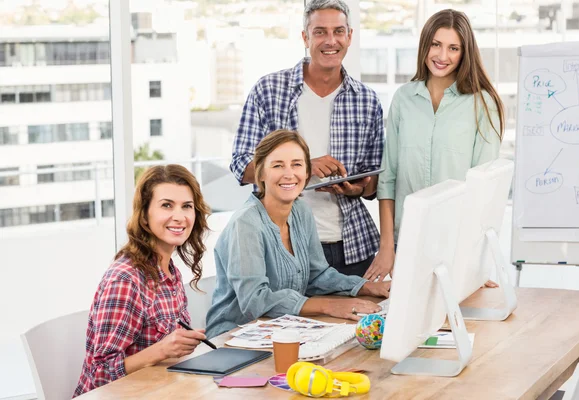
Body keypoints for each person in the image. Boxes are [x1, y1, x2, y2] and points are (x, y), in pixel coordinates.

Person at [230, 0, 384, 278]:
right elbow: (241, 166)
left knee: (356, 322)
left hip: (350, 247)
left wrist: (357, 188)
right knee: (286, 320)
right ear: (305, 37)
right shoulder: (268, 91)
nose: (330, 41)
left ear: (350, 36)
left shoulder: (368, 100)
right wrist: (304, 168)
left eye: (339, 31)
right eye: (320, 32)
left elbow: (374, 182)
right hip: (283, 243)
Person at [206, 130, 390, 339]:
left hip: (280, 331)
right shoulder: (246, 224)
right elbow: (255, 301)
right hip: (232, 338)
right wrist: (330, 306)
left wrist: (367, 287)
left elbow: (317, 275)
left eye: (297, 164)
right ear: (261, 173)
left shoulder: (301, 211)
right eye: (277, 165)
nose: (289, 174)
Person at [366, 9, 504, 284]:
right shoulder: (404, 99)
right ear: (425, 45)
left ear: (465, 53)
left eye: (453, 48)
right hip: (409, 241)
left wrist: (472, 261)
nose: (442, 57)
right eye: (436, 45)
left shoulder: (482, 104)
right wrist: (387, 247)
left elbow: (483, 189)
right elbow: (388, 178)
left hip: (455, 243)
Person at [73, 165, 211, 397]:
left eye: (187, 206)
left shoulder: (170, 271)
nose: (179, 216)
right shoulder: (126, 279)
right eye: (167, 205)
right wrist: (162, 350)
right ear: (145, 216)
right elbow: (99, 373)